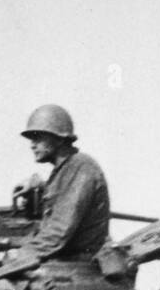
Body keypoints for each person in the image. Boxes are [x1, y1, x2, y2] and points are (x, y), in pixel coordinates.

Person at [17, 104, 111, 264]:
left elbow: (60, 230)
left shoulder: (81, 167)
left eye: (38, 138)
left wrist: (24, 253)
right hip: (65, 261)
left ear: (59, 139)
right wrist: (38, 187)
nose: (32, 145)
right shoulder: (66, 170)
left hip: (78, 265)